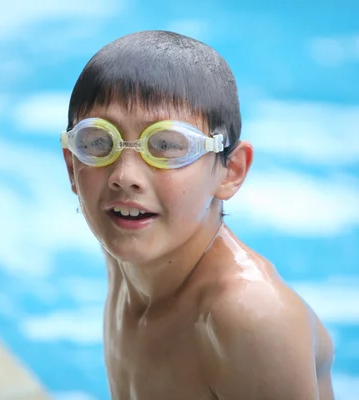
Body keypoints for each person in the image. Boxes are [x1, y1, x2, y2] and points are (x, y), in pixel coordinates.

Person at [61, 30, 335, 400]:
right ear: (71, 165)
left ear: (231, 170)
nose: (124, 176)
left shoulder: (251, 317)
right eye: (99, 142)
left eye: (166, 146)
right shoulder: (125, 249)